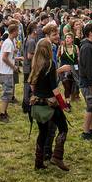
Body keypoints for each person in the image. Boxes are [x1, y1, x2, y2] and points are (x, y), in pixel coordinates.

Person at [29, 35, 70, 172]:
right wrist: (63, 105)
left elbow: (32, 86)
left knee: (43, 133)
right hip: (50, 104)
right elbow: (55, 89)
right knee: (63, 128)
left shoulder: (35, 64)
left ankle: (38, 162)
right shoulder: (50, 64)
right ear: (48, 49)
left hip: (37, 104)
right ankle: (57, 157)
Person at [0, 23, 18, 123]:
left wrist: (16, 57)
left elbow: (8, 56)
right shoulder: (8, 43)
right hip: (6, 72)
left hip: (5, 71)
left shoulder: (10, 41)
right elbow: (4, 58)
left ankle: (4, 111)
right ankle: (2, 114)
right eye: (17, 31)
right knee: (7, 93)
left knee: (8, 92)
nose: (18, 33)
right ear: (14, 32)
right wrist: (13, 67)